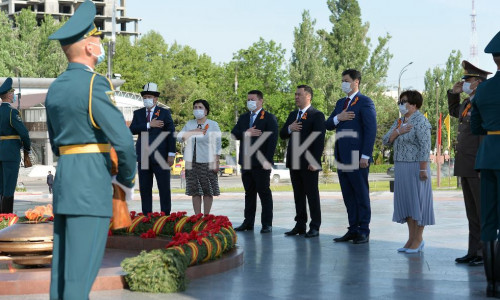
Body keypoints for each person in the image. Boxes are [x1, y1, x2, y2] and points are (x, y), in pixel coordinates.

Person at [45, 1, 137, 298]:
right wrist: (126, 179)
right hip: (90, 186)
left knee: (61, 276)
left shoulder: (56, 87)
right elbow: (122, 141)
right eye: (96, 39)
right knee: (80, 279)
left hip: (66, 184)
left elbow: (54, 139)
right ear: (87, 47)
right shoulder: (95, 85)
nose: (100, 44)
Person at [326, 69, 377, 244]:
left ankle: (364, 230)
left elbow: (371, 130)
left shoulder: (364, 102)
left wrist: (365, 155)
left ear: (356, 82)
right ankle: (353, 228)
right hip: (342, 156)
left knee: (361, 194)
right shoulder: (341, 103)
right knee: (348, 195)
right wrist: (338, 118)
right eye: (342, 80)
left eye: (346, 80)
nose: (343, 84)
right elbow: (328, 124)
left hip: (358, 157)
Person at [448, 60, 491, 266]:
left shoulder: (483, 103)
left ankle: (483, 253)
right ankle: (473, 250)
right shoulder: (467, 103)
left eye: (468, 80)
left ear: (479, 82)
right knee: (471, 213)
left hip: (477, 165)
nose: (464, 82)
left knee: (482, 211)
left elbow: (483, 136)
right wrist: (453, 93)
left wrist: (483, 164)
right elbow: (454, 111)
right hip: (465, 165)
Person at [382, 90, 434, 253]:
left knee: (417, 203)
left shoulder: (421, 121)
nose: (401, 104)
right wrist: (398, 132)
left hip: (416, 167)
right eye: (400, 101)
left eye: (404, 101)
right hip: (401, 166)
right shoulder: (399, 122)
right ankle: (411, 238)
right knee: (407, 204)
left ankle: (418, 239)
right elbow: (386, 140)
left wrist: (423, 168)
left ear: (414, 104)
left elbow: (425, 147)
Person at [471, 30, 500, 298]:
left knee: (489, 220)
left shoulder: (484, 89)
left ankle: (493, 283)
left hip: (489, 155)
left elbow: (476, 126)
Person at [280, 85, 325, 238]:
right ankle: (300, 224)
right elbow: (282, 134)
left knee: (312, 195)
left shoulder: (317, 115)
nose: (296, 97)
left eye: (299, 94)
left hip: (309, 163)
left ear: (308, 96)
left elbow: (319, 141)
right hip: (294, 161)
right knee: (298, 195)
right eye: (295, 94)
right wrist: (289, 128)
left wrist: (315, 162)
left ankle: (315, 226)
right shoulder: (293, 115)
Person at [231, 90, 278, 234]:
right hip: (246, 162)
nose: (249, 102)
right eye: (248, 99)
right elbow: (234, 134)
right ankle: (248, 222)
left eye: (252, 99)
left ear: (261, 101)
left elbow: (272, 141)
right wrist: (246, 133)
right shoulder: (244, 118)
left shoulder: (269, 118)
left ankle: (266, 224)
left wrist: (268, 161)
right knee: (249, 193)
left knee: (264, 193)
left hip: (261, 163)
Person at [130, 82, 176, 215]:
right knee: (145, 188)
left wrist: (171, 154)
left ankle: (165, 216)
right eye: (144, 97)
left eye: (149, 97)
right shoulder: (138, 113)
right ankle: (147, 216)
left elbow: (171, 134)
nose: (147, 99)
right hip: (144, 156)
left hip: (161, 156)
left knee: (164, 188)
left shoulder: (164, 113)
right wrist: (149, 124)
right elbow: (132, 129)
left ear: (156, 98)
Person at [177, 99, 221, 215]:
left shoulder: (213, 124)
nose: (197, 109)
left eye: (200, 107)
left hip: (208, 161)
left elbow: (218, 144)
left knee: (208, 190)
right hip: (191, 161)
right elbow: (179, 137)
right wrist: (192, 131)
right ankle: (197, 216)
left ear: (206, 110)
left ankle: (206, 217)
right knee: (195, 190)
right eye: (195, 107)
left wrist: (217, 161)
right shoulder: (190, 124)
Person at [0, 77, 31, 214]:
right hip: (10, 153)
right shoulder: (12, 112)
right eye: (12, 93)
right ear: (8, 95)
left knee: (0, 187)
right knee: (9, 187)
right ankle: (6, 219)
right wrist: (27, 148)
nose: (13, 95)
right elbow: (24, 133)